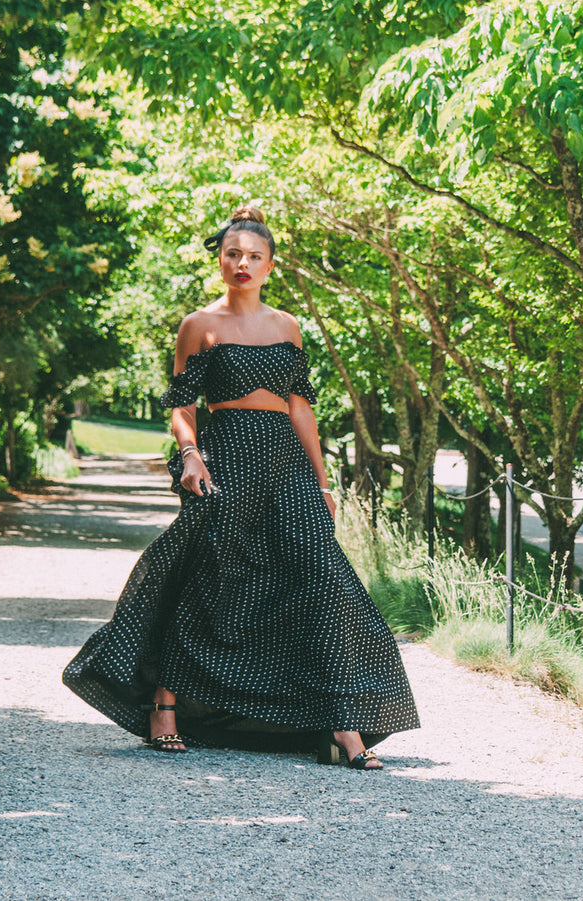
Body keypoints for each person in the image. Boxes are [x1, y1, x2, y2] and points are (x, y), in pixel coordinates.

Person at [63, 205, 419, 768]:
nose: (243, 264)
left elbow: (300, 410)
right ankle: (165, 705)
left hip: (285, 463)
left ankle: (341, 724)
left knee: (322, 578)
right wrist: (190, 455)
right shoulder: (199, 326)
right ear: (220, 260)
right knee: (209, 574)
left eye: (254, 256)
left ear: (270, 266)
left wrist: (322, 484)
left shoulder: (287, 327)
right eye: (233, 254)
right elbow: (182, 408)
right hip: (224, 456)